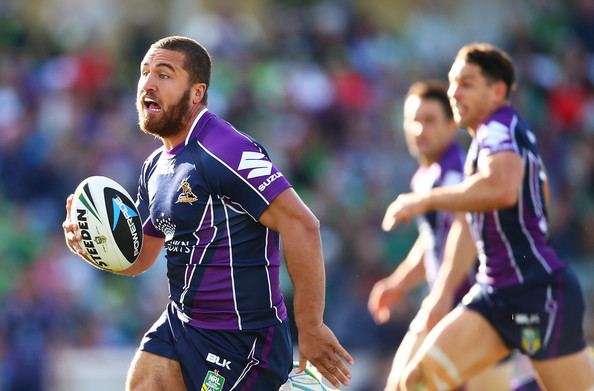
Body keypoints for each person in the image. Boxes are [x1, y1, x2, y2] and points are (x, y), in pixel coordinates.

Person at [63, 35, 352, 391]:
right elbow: (140, 258)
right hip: (181, 323)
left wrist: (309, 326)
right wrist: (93, 243)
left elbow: (302, 223)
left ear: (197, 92)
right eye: (144, 73)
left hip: (243, 338)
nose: (148, 84)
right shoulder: (155, 167)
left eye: (164, 75)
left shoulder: (224, 148)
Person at [382, 43, 594, 391]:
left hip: (535, 294)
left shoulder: (499, 128)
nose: (454, 92)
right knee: (416, 382)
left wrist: (424, 201)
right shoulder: (490, 139)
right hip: (494, 293)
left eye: (466, 83)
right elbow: (494, 209)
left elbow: (502, 190)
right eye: (452, 82)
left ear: (497, 91)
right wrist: (434, 291)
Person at [368, 80, 518, 391]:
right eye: (413, 121)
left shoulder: (455, 172)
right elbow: (434, 240)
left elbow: (464, 229)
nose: (420, 130)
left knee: (406, 385)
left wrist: (443, 293)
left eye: (430, 120)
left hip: (472, 306)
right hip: (448, 303)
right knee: (402, 385)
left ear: (452, 125)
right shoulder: (427, 176)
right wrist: (399, 282)